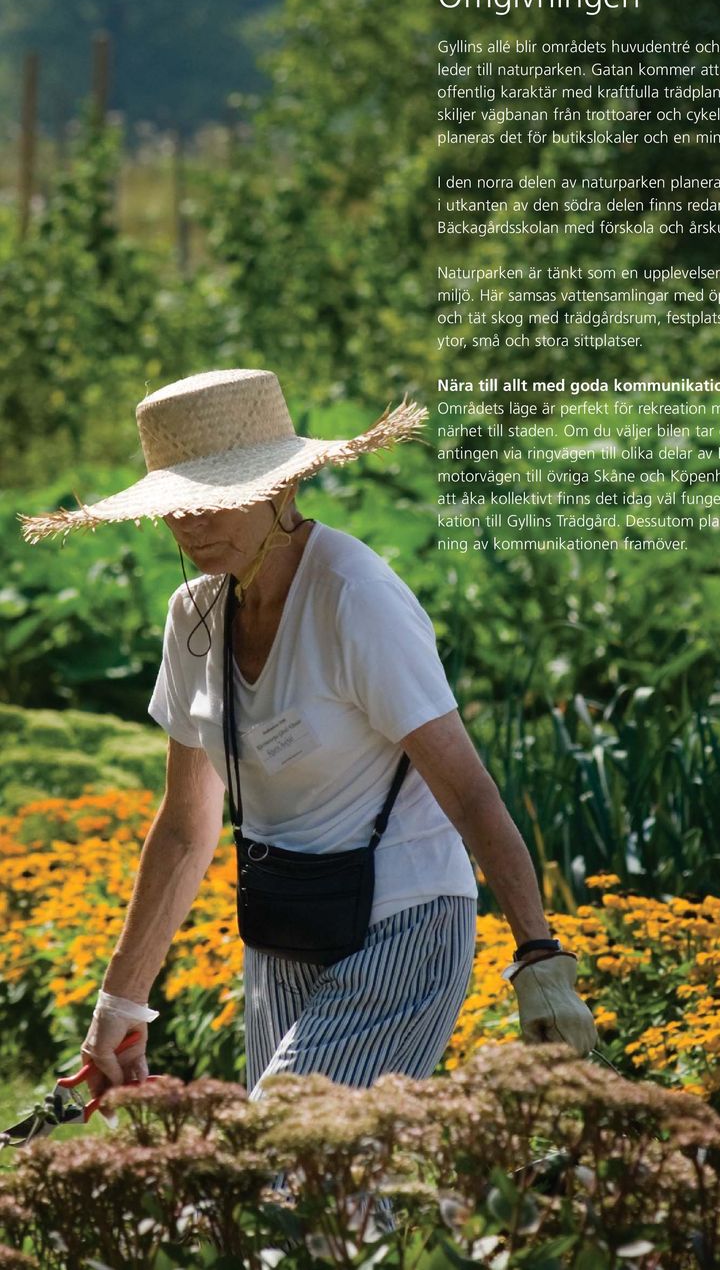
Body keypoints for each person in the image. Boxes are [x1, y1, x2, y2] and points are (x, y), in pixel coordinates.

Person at [22, 368, 596, 1106]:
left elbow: (467, 788)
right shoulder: (192, 614)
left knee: (281, 1155)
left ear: (281, 488)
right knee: (328, 1201)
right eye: (177, 504)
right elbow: (184, 826)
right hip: (285, 925)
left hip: (404, 918)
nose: (191, 523)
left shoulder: (353, 595)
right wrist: (121, 1006)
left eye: (214, 499)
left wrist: (538, 954)